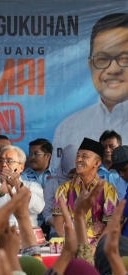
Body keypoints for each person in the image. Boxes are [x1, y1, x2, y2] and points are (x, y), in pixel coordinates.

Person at [52, 13, 128, 170]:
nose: (113, 69)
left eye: (125, 59)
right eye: (102, 59)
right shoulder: (68, 127)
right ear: (90, 64)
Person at [51, 138, 119, 241]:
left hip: (97, 248)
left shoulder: (109, 190)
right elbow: (59, 223)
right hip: (71, 245)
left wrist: (96, 247)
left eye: (84, 156)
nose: (78, 160)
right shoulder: (63, 189)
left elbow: (111, 225)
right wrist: (71, 244)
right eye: (77, 156)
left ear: (97, 163)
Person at [0, 145, 45, 228]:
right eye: (0, 161)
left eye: (9, 161)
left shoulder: (32, 186)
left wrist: (17, 184)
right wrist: (0, 192)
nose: (4, 165)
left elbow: (38, 207)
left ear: (21, 167)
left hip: (26, 237)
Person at [42, 144, 77, 237]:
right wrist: (62, 227)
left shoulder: (87, 184)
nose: (75, 175)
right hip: (58, 233)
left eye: (77, 171)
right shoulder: (54, 184)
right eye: (71, 172)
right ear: (64, 167)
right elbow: (47, 213)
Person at [98, 130, 128, 194]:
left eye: (111, 146)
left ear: (120, 148)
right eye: (104, 147)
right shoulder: (91, 172)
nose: (107, 150)